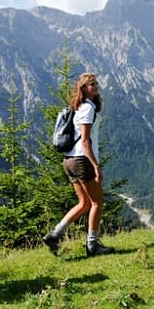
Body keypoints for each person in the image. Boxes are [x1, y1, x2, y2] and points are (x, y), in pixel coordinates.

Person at [43, 73, 115, 257]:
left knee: (84, 203)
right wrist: (96, 166)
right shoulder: (87, 109)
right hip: (82, 160)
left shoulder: (78, 107)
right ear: (83, 88)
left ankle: (55, 234)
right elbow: (85, 141)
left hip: (69, 160)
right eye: (91, 84)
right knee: (97, 202)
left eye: (96, 83)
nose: (96, 86)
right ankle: (92, 245)